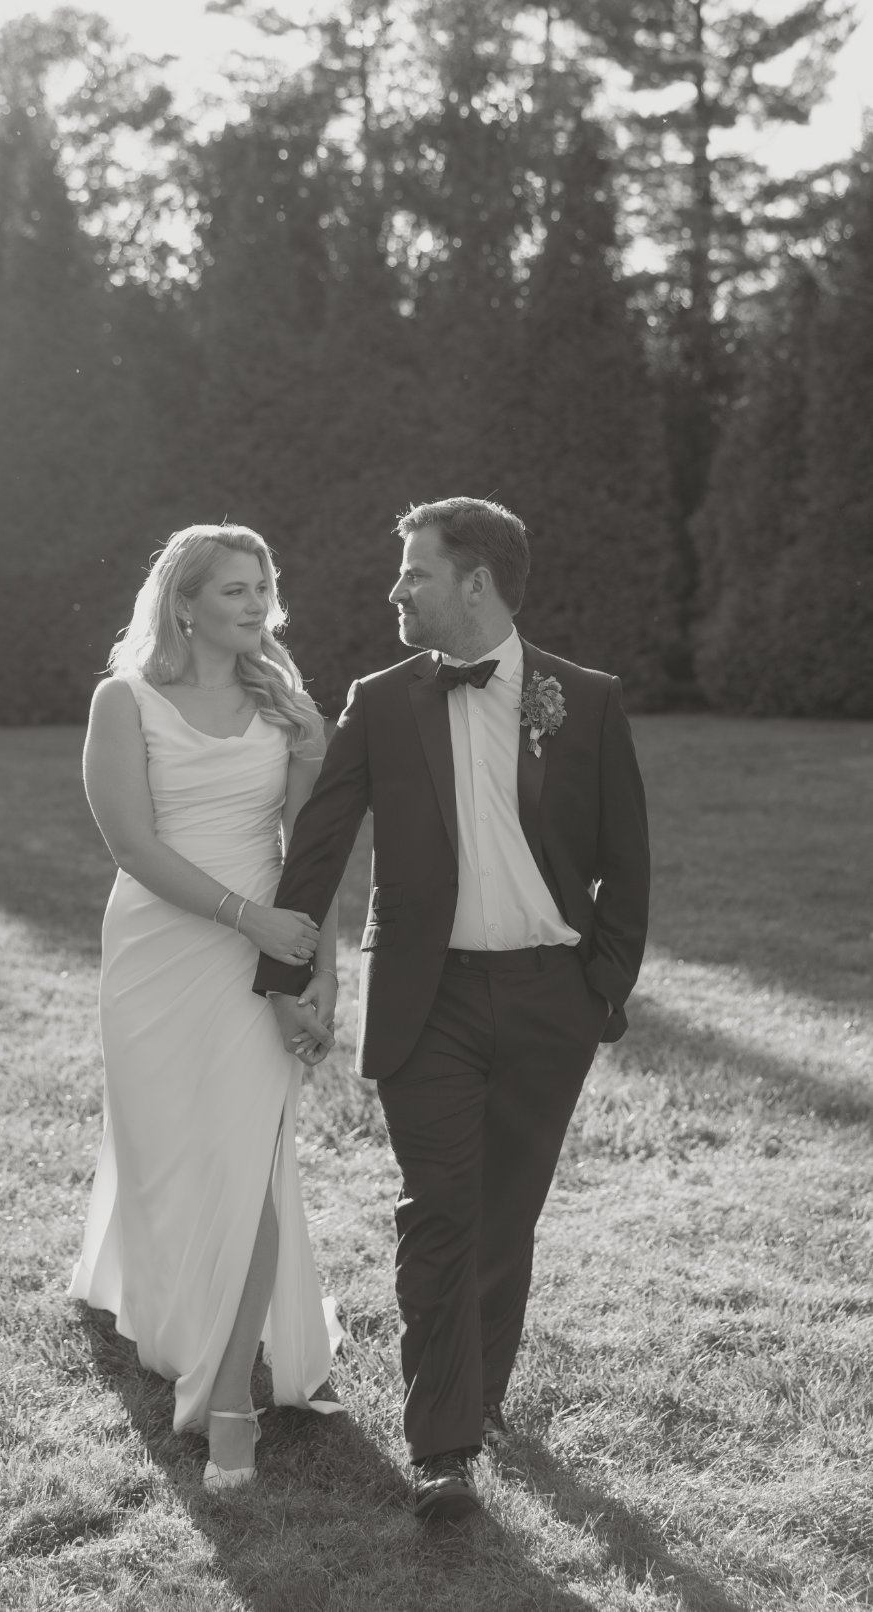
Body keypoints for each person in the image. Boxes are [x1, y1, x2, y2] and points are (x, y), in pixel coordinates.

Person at [254, 496, 650, 1521]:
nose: (396, 589)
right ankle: (443, 1447)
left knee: (503, 1216)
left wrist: (599, 989)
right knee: (440, 1208)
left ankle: (481, 1391)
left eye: (414, 573)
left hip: (548, 997)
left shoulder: (586, 698)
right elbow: (324, 840)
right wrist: (287, 970)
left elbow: (627, 863)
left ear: (474, 582)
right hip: (425, 997)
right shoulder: (379, 700)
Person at [69, 523, 342, 1492]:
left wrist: (317, 965)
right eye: (233, 587)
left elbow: (311, 850)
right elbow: (132, 845)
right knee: (170, 1154)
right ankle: (165, 1300)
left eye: (263, 583)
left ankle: (228, 1391)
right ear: (182, 601)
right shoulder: (124, 700)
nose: (255, 600)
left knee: (253, 1159)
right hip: (157, 954)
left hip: (261, 959)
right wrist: (249, 918)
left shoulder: (287, 707)